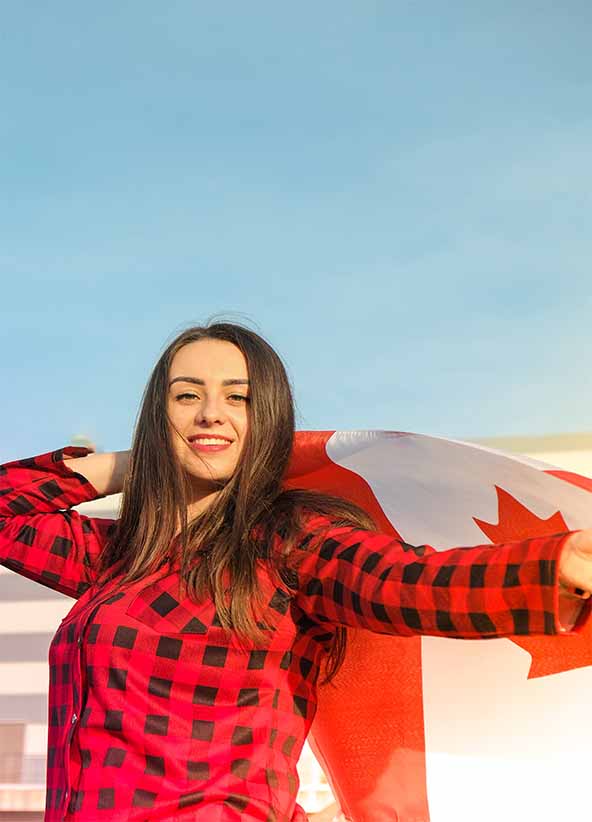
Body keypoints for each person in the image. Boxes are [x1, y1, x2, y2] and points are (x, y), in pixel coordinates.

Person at [1, 322, 591, 822]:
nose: (212, 413)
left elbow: (404, 583)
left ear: (269, 417)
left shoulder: (286, 541)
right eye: (187, 397)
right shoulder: (117, 557)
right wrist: (131, 462)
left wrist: (556, 567)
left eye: (239, 398)